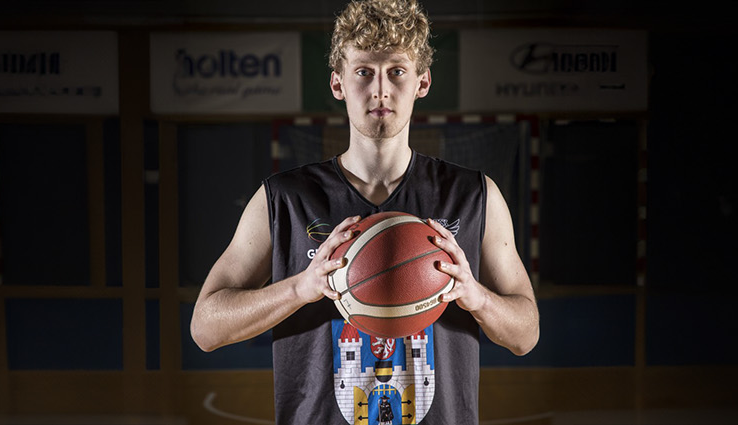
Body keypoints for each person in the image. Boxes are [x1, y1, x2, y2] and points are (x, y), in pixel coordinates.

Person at [190, 0, 539, 423]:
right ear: (337, 84)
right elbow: (205, 328)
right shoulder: (284, 199)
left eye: (396, 71)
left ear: (422, 82)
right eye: (363, 72)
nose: (379, 90)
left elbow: (526, 334)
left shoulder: (474, 195)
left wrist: (475, 295)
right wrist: (301, 287)